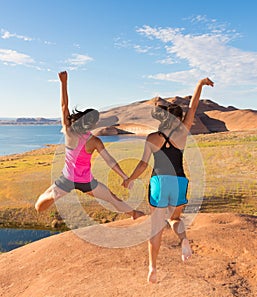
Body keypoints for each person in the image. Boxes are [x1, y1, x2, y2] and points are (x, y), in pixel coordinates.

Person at [123, 77, 214, 283]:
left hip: (159, 183)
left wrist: (129, 179)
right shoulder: (183, 132)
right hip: (179, 181)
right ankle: (183, 240)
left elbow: (143, 165)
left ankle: (153, 268)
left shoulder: (152, 138)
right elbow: (193, 108)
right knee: (175, 219)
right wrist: (199, 84)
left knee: (156, 226)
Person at [35, 71, 144, 221]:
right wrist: (125, 177)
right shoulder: (94, 141)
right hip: (86, 181)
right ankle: (134, 214)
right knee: (112, 198)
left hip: (67, 179)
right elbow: (110, 161)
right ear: (93, 124)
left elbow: (64, 107)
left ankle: (54, 194)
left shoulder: (69, 132)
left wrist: (63, 83)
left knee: (38, 207)